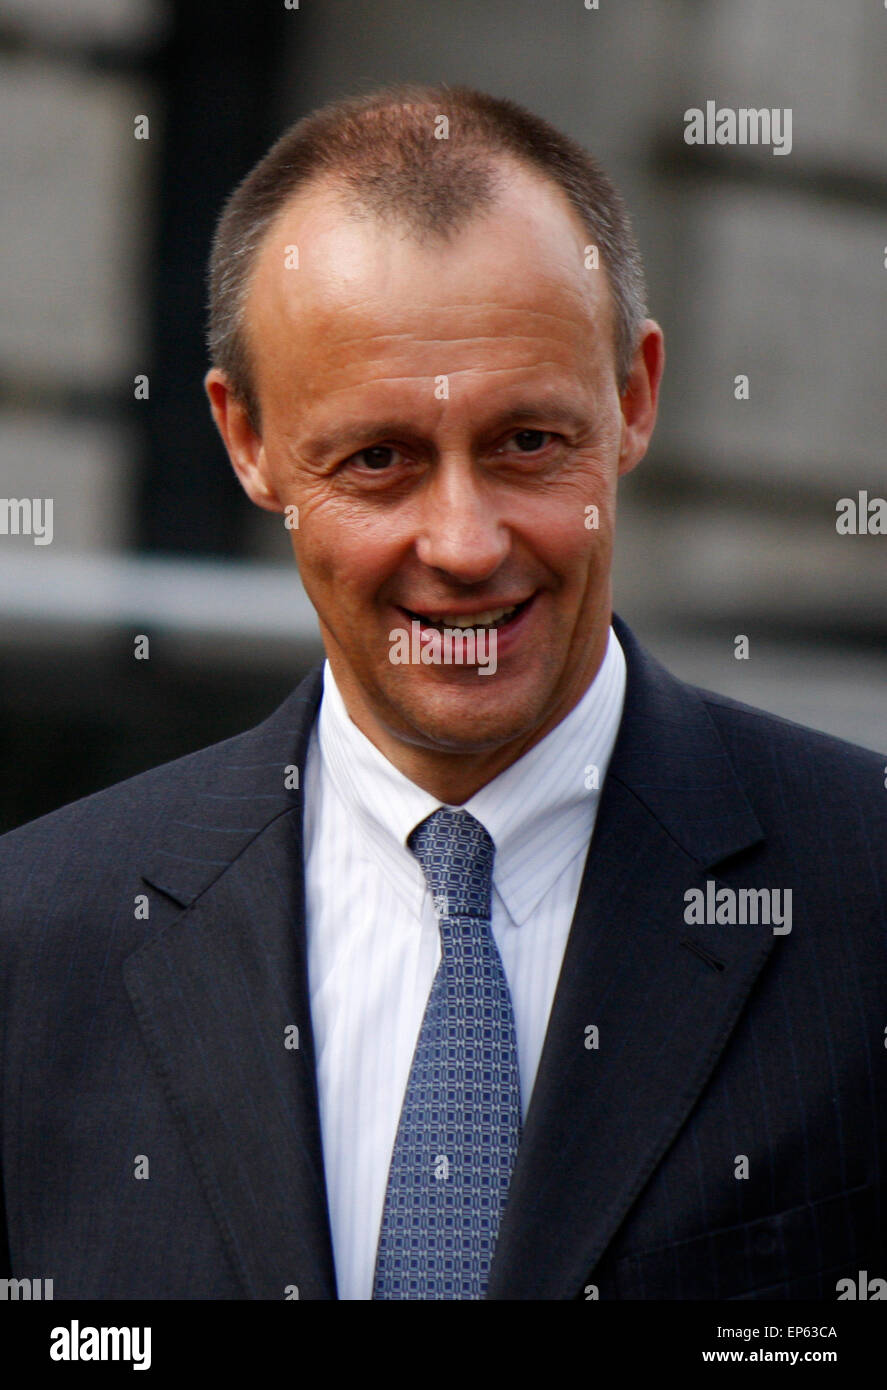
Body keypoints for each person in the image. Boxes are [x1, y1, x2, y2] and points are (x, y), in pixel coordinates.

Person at [0, 84, 884, 1301]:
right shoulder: (36, 947)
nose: (464, 542)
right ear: (246, 440)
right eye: (378, 461)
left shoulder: (862, 890)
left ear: (632, 397)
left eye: (527, 442)